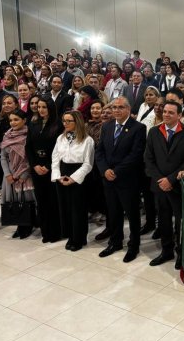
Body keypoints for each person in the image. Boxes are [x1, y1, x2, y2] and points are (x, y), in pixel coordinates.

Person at [144, 101, 184, 269]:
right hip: (159, 185)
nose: (166, 114)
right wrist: (161, 179)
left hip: (179, 185)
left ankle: (181, 252)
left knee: (180, 222)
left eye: (171, 112)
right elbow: (148, 159)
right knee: (164, 220)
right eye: (165, 111)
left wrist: (171, 179)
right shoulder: (154, 132)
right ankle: (166, 250)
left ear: (179, 115)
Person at [95, 97, 147, 262]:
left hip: (127, 179)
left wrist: (116, 171)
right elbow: (100, 151)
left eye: (120, 107)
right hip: (109, 179)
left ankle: (134, 245)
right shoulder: (107, 126)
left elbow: (136, 155)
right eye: (114, 107)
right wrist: (105, 170)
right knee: (114, 212)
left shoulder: (138, 128)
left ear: (128, 109)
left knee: (132, 214)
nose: (116, 110)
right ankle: (115, 242)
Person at [51, 110, 94, 251]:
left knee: (78, 209)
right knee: (65, 208)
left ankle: (79, 238)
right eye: (64, 121)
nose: (66, 123)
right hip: (62, 174)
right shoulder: (60, 138)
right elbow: (55, 158)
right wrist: (58, 176)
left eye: (69, 121)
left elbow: (88, 164)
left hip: (77, 175)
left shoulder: (87, 140)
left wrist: (73, 178)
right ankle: (70, 236)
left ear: (77, 122)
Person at [26, 96, 62, 243]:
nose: (40, 110)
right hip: (37, 167)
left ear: (50, 108)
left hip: (52, 167)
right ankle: (45, 231)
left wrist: (47, 166)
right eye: (39, 107)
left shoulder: (58, 124)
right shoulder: (34, 123)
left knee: (53, 200)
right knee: (41, 200)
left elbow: (59, 149)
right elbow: (28, 146)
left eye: (44, 107)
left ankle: (55, 232)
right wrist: (34, 165)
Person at [0, 109, 36, 239]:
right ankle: (20, 224)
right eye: (10, 120)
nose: (13, 123)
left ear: (24, 120)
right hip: (11, 173)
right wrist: (7, 174)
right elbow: (3, 156)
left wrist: (24, 175)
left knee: (27, 201)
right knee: (15, 201)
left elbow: (31, 157)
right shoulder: (7, 135)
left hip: (25, 174)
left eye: (16, 120)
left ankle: (28, 225)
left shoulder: (29, 134)